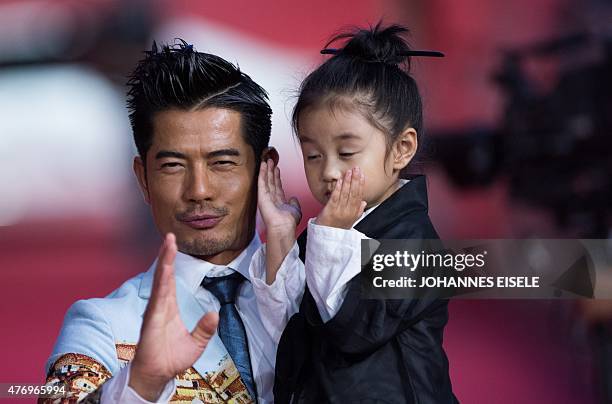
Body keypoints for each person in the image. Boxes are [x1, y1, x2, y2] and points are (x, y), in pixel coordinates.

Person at [40, 40, 295, 404]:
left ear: (265, 167)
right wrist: (140, 383)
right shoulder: (102, 323)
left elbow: (403, 288)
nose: (199, 191)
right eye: (173, 166)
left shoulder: (327, 280)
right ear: (143, 179)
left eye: (222, 162)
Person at [250, 23, 459, 403]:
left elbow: (353, 333)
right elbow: (287, 330)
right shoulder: (327, 230)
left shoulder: (415, 242)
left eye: (346, 154)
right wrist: (281, 235)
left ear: (402, 148)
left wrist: (330, 236)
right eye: (313, 155)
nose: (328, 170)